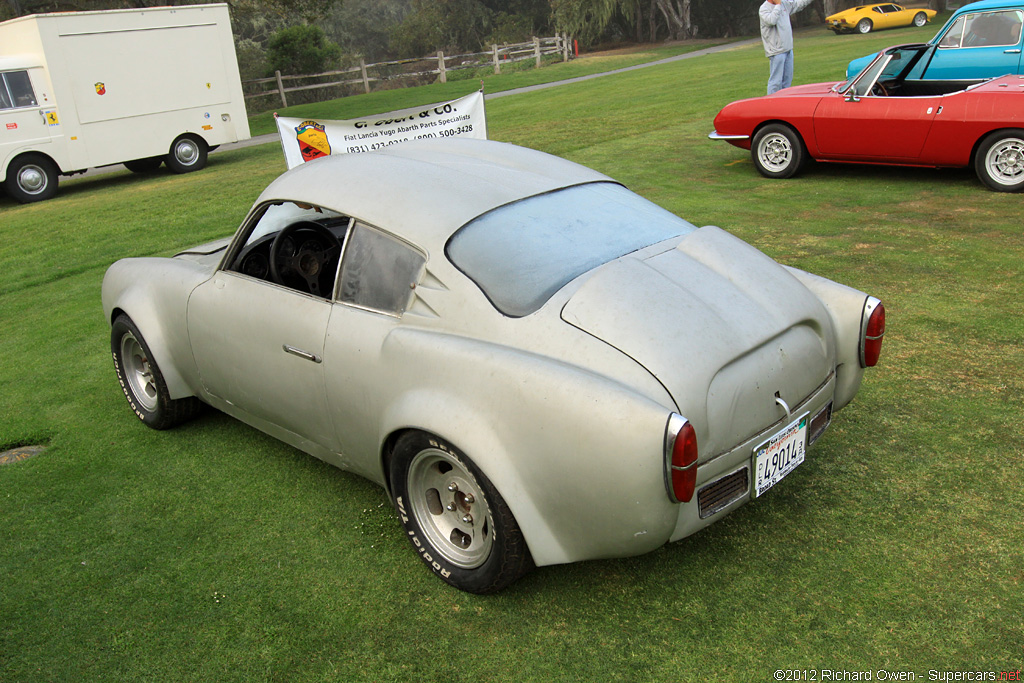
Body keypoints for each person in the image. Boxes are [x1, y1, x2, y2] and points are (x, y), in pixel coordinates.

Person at [759, 0, 813, 95]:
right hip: (776, 52)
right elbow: (772, 20)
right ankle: (771, 103)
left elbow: (798, 4)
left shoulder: (784, 4)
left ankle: (783, 102)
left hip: (788, 48)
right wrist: (778, 5)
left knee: (787, 81)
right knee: (776, 81)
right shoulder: (764, 9)